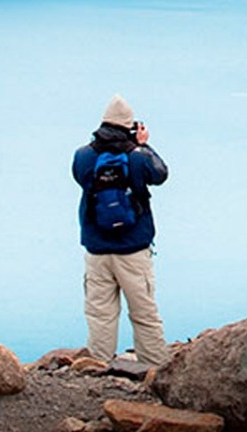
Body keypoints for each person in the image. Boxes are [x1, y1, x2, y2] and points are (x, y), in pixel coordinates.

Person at [71, 94, 170, 367]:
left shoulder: (83, 156)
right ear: (130, 126)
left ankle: (98, 366)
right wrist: (145, 145)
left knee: (100, 313)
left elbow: (80, 179)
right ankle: (154, 368)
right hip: (133, 248)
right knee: (144, 312)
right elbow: (161, 174)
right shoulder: (137, 158)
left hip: (97, 248)